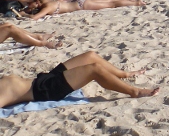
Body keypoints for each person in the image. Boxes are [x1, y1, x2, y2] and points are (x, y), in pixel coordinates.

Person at [0, 51, 159, 108]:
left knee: (89, 56)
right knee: (94, 69)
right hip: (44, 90)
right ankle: (134, 91)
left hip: (42, 79)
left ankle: (124, 74)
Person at [20, 0, 145, 19]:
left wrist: (24, 14)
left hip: (81, 5)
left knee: (111, 5)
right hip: (79, 1)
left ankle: (136, 3)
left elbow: (34, 18)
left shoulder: (47, 8)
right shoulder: (46, 1)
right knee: (108, 2)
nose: (29, 6)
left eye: (30, 4)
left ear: (36, 3)